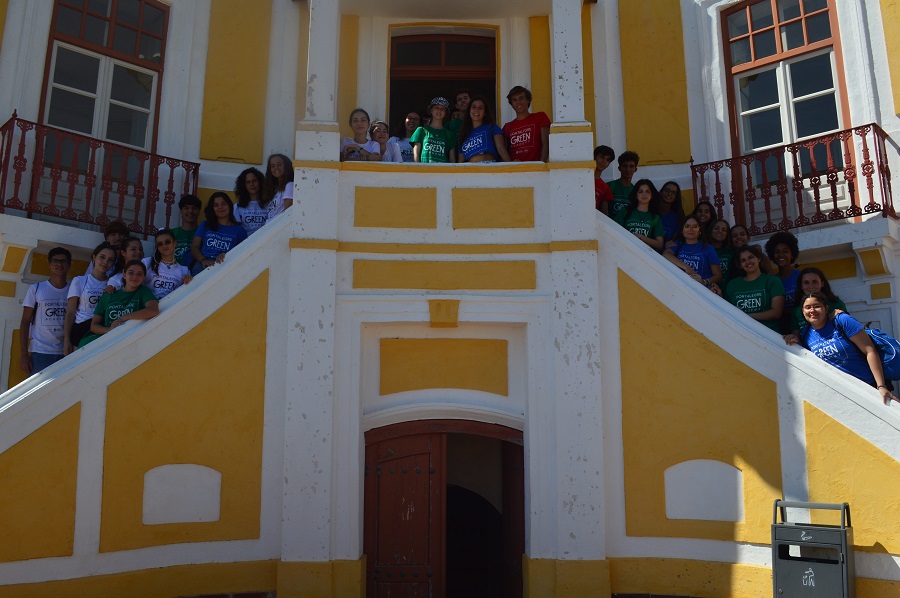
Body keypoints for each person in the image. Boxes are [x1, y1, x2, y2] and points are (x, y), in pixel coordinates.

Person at [785, 292, 897, 405]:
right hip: (842, 394)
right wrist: (793, 341)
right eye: (808, 307)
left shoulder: (842, 321)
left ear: (826, 308)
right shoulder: (806, 334)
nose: (812, 310)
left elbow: (870, 350)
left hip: (868, 386)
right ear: (803, 311)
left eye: (817, 306)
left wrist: (881, 386)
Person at [78, 259, 159, 348]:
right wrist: (109, 330)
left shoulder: (144, 291)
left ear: (144, 278)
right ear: (124, 275)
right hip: (106, 342)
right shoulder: (109, 295)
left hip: (131, 341)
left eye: (139, 274)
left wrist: (124, 317)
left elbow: (153, 310)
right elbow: (94, 326)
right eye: (131, 273)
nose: (134, 277)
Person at [19, 247, 71, 375]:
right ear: (49, 264)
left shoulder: (73, 291)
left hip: (66, 353)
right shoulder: (37, 289)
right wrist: (24, 354)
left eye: (63, 261)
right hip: (40, 353)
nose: (59, 264)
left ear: (69, 265)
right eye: (55, 261)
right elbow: (25, 321)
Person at [64, 242, 118, 353]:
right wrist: (66, 340)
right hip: (80, 330)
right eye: (102, 257)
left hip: (102, 330)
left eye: (110, 260)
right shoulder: (79, 280)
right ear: (94, 257)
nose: (105, 262)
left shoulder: (113, 284)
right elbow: (70, 313)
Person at [725, 245, 785, 332]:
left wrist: (745, 316)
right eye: (743, 260)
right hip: (741, 333)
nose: (748, 262)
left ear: (759, 259)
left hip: (769, 333)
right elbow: (727, 310)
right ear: (740, 265)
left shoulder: (772, 281)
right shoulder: (732, 285)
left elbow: (776, 313)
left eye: (751, 257)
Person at [191, 192, 248, 272]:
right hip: (203, 264)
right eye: (216, 205)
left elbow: (242, 254)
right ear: (212, 208)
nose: (220, 207)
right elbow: (194, 247)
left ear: (229, 206)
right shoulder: (205, 225)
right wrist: (203, 260)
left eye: (223, 204)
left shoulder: (240, 230)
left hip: (225, 266)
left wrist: (227, 256)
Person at [664, 215, 722, 291]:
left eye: (695, 226)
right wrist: (687, 268)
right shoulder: (678, 244)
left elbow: (718, 276)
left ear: (700, 231)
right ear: (682, 230)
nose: (691, 229)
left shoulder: (708, 248)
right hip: (680, 288)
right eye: (687, 226)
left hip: (701, 290)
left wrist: (704, 282)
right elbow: (666, 255)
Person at [789, 268, 848, 333]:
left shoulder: (835, 303)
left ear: (822, 284)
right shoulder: (796, 310)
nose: (810, 286)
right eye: (806, 283)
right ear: (801, 286)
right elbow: (796, 336)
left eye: (815, 282)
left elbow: (847, 327)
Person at [502, 85, 551, 162]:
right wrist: (511, 164)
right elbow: (502, 151)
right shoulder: (507, 126)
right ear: (511, 104)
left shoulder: (540, 117)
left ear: (528, 100)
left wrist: (541, 164)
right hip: (515, 168)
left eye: (521, 98)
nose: (518, 102)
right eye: (514, 100)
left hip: (536, 167)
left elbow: (546, 143)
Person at [765, 231, 802, 334]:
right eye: (777, 252)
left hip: (800, 324)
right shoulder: (771, 281)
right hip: (780, 328)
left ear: (792, 254)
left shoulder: (800, 276)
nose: (781, 255)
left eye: (785, 251)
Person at [614, 179, 664, 251]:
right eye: (640, 191)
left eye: (647, 191)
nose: (644, 194)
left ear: (652, 195)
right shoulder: (625, 211)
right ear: (636, 195)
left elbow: (659, 244)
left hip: (644, 254)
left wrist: (641, 237)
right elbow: (614, 231)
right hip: (624, 251)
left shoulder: (655, 217)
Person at [457, 97, 511, 163]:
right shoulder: (463, 135)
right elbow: (461, 161)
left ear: (485, 113)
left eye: (480, 108)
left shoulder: (492, 127)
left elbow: (501, 148)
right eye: (474, 107)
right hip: (470, 168)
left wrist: (511, 164)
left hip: (490, 166)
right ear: (469, 111)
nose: (476, 110)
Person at [144, 228, 192, 300]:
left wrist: (188, 280)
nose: (164, 245)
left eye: (167, 242)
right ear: (157, 247)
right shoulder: (147, 262)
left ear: (175, 243)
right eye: (160, 244)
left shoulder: (184, 270)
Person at [411, 97, 457, 163]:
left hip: (443, 169)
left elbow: (452, 160)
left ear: (445, 113)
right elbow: (416, 154)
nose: (439, 111)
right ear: (431, 110)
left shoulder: (449, 134)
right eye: (436, 108)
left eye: (442, 109)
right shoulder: (421, 130)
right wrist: (417, 168)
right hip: (424, 169)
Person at [233, 167, 269, 234]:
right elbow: (236, 230)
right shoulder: (237, 207)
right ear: (244, 185)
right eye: (248, 182)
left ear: (260, 182)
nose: (251, 184)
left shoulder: (269, 204)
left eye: (254, 181)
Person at [607, 151, 639, 220]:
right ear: (619, 168)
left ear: (635, 169)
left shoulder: (636, 191)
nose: (628, 169)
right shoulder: (609, 186)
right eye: (625, 166)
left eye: (631, 166)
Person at [173, 194, 201, 270]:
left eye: (194, 208)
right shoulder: (172, 234)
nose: (190, 211)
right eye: (186, 208)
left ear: (199, 211)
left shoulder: (204, 234)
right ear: (181, 211)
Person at [263, 153, 294, 219]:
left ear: (286, 166)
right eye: (273, 166)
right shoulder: (275, 189)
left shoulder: (289, 185)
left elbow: (287, 212)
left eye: (279, 165)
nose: (276, 168)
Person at [593, 145, 615, 215]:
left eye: (608, 160)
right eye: (602, 157)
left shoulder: (605, 188)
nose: (604, 161)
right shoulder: (581, 178)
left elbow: (605, 214)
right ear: (594, 157)